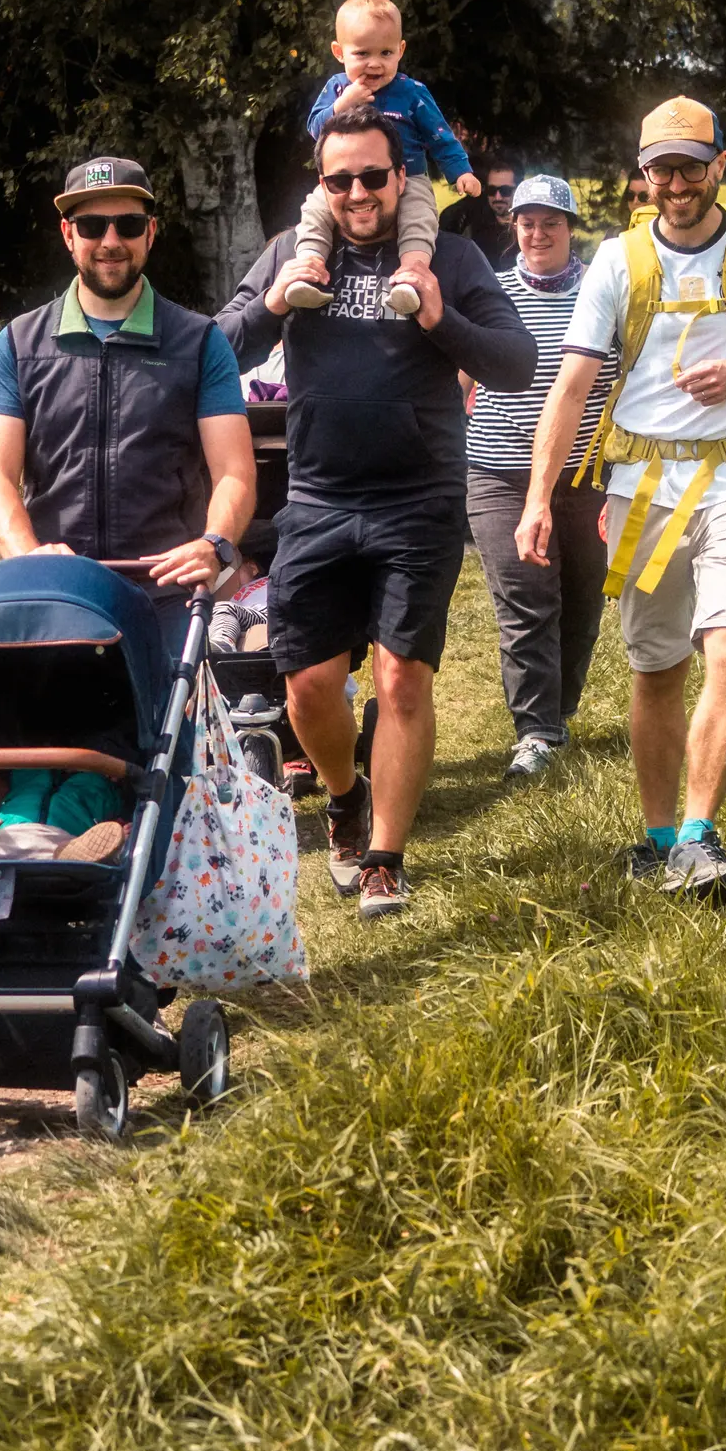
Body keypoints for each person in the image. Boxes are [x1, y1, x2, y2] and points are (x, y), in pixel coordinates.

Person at [0, 153, 256, 895]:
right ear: (68, 235)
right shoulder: (20, 344)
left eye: (127, 224)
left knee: (134, 759)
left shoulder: (198, 344)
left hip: (156, 599)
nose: (110, 240)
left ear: (151, 233)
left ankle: (108, 910)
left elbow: (233, 471)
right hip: (49, 601)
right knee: (17, 746)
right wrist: (28, 556)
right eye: (92, 225)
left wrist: (214, 544)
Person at [217, 104, 536, 919]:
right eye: (340, 179)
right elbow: (221, 348)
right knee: (310, 689)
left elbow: (516, 360)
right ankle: (345, 794)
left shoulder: (451, 258)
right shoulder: (295, 252)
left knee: (400, 678)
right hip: (319, 498)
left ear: (402, 178)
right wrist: (278, 306)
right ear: (321, 185)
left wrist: (439, 316)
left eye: (373, 176)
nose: (358, 193)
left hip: (419, 500)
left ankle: (386, 859)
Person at [516, 96, 726, 902]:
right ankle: (656, 841)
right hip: (643, 489)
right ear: (643, 175)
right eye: (662, 167)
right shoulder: (618, 264)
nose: (677, 181)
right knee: (657, 669)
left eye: (692, 165)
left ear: (720, 165)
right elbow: (572, 385)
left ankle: (697, 834)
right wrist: (538, 497)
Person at [465, 177, 619, 781]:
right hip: (500, 471)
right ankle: (534, 732)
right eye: (527, 221)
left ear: (571, 227)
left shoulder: (601, 292)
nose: (538, 232)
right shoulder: (492, 294)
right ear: (515, 227)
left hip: (588, 475)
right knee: (528, 599)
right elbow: (458, 369)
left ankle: (559, 715)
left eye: (551, 221)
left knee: (581, 600)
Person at [285, 0, 481, 320]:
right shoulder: (336, 89)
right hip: (347, 179)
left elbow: (440, 136)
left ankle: (411, 279)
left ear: (401, 50)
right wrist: (343, 104)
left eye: (386, 53)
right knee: (316, 211)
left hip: (411, 176)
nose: (375, 63)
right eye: (362, 53)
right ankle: (309, 269)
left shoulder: (412, 92)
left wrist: (460, 172)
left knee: (419, 218)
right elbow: (315, 129)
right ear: (339, 52)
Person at [441, 152, 522, 272]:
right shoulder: (469, 224)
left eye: (505, 191)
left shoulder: (529, 227)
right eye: (491, 190)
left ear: (519, 188)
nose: (497, 197)